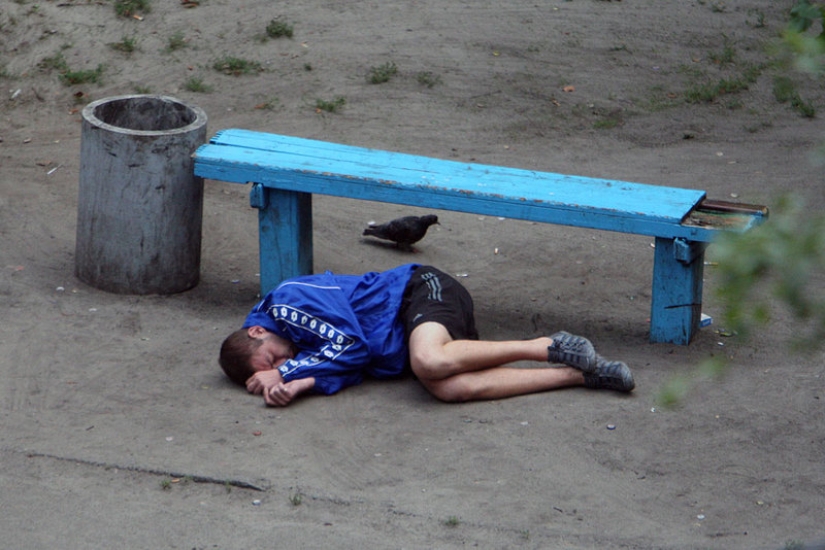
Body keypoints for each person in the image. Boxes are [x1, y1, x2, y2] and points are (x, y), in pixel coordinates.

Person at [219, 264, 635, 407]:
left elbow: (351, 346)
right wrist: (303, 383)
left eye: (271, 358)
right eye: (275, 367)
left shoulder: (286, 305)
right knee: (446, 389)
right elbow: (351, 365)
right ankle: (582, 375)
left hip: (418, 290)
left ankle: (548, 346)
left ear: (258, 331)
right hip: (408, 333)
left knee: (430, 362)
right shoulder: (294, 343)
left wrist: (288, 370)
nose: (281, 364)